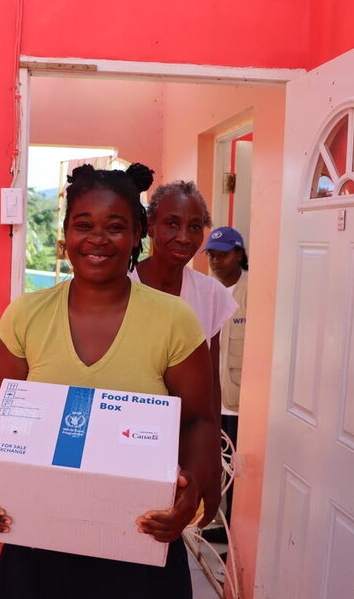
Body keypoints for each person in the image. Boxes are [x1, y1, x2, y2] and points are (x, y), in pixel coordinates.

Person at [0, 164, 221, 598]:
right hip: (38, 545)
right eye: (83, 225)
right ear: (65, 234)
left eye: (115, 226)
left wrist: (193, 491)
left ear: (138, 234)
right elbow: (3, 414)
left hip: (140, 539)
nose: (98, 239)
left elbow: (199, 419)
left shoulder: (173, 320)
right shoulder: (26, 316)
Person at [128, 180, 237, 523]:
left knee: (166, 532)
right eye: (172, 224)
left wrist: (211, 458)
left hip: (184, 441)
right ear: (150, 226)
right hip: (128, 435)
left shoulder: (210, 294)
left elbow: (212, 385)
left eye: (194, 227)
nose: (184, 237)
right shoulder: (122, 285)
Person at [204, 226, 248, 527]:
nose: (216, 262)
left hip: (238, 399)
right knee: (215, 463)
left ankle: (233, 526)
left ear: (239, 254)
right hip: (209, 395)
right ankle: (217, 522)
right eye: (212, 256)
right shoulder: (207, 291)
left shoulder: (255, 291)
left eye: (223, 256)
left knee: (238, 468)